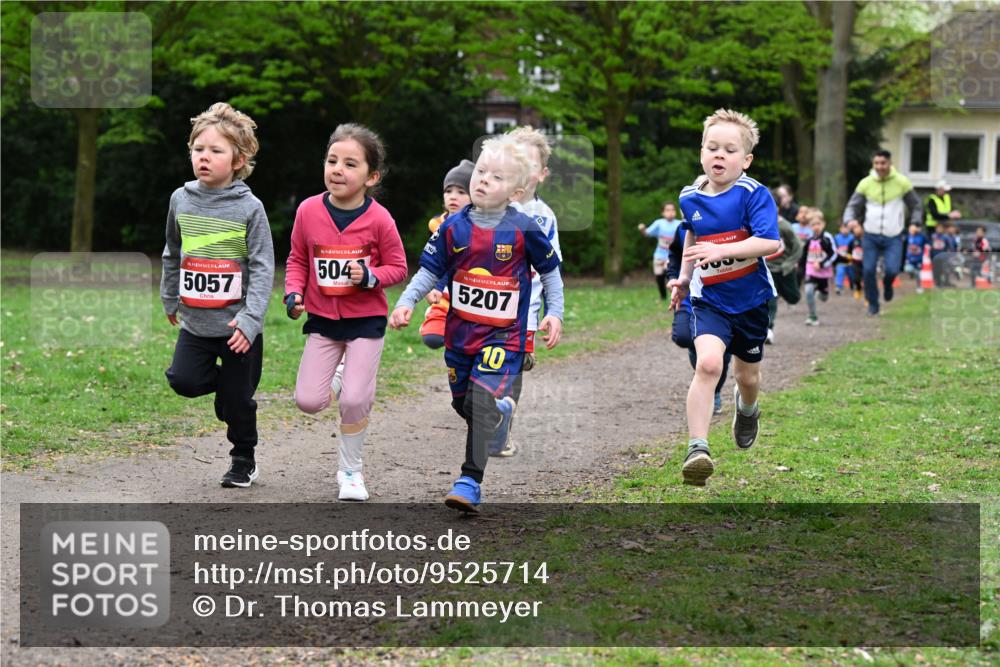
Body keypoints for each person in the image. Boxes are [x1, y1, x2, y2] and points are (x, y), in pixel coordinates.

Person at [389, 136, 564, 512]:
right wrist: (406, 301)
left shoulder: (525, 228)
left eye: (495, 177)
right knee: (463, 403)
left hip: (505, 336)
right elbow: (428, 272)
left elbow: (550, 272)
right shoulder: (452, 227)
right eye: (481, 171)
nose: (483, 180)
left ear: (516, 191)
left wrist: (555, 312)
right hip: (461, 336)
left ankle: (470, 481)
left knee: (480, 399)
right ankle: (496, 417)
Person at [284, 123, 408, 502]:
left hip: (366, 324)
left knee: (355, 400)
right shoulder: (308, 210)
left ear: (371, 177)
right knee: (309, 401)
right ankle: (340, 375)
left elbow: (399, 267)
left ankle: (351, 472)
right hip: (323, 321)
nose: (337, 169)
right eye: (332, 160)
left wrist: (370, 276)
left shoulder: (380, 219)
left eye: (349, 164)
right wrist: (292, 293)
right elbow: (297, 259)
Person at [161, 102, 274, 489]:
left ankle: (243, 459)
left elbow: (262, 267)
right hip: (196, 322)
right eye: (198, 150)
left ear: (239, 159)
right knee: (182, 380)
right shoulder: (181, 199)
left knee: (238, 404)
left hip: (237, 328)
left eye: (215, 151)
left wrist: (251, 318)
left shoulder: (250, 207)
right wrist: (169, 295)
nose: (204, 157)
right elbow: (173, 251)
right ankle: (226, 388)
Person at [667, 108, 781, 487]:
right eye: (712, 147)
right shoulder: (689, 196)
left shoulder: (753, 194)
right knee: (709, 365)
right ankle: (697, 449)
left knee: (747, 376)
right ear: (701, 151)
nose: (719, 155)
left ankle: (748, 409)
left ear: (745, 160)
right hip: (709, 298)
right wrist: (683, 278)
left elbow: (770, 242)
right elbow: (692, 235)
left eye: (730, 150)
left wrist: (720, 252)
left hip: (750, 299)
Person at [843, 149, 923, 316]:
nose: (879, 166)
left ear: (889, 164)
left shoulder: (902, 182)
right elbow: (852, 206)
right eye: (876, 163)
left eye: (883, 163)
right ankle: (873, 305)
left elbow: (916, 205)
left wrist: (915, 223)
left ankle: (888, 284)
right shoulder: (865, 183)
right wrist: (852, 222)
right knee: (868, 270)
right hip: (870, 234)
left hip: (894, 235)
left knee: (893, 270)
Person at [666, 227, 731, 414]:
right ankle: (703, 372)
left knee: (721, 354)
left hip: (721, 300)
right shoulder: (683, 229)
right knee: (685, 337)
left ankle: (714, 391)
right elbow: (676, 254)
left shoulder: (726, 222)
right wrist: (674, 277)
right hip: (689, 298)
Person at [416, 160, 475, 351]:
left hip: (473, 292)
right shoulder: (437, 225)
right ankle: (438, 315)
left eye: (461, 192)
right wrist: (434, 287)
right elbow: (435, 264)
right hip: (444, 293)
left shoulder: (482, 228)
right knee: (432, 338)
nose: (453, 197)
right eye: (448, 191)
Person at [764, 214, 803, 344]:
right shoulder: (761, 222)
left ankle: (779, 291)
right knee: (771, 299)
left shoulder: (785, 226)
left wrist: (789, 263)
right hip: (768, 268)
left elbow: (798, 246)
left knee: (794, 297)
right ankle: (768, 329)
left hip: (785, 268)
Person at [638, 201, 683, 302]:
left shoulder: (679, 224)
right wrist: (642, 229)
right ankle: (663, 297)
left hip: (672, 256)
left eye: (672, 210)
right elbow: (647, 233)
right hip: (659, 255)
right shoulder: (659, 223)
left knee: (671, 275)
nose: (670, 212)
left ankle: (675, 295)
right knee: (659, 276)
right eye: (667, 210)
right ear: (662, 213)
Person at [802, 210, 837, 326]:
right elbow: (804, 255)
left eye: (818, 224)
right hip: (811, 270)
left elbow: (834, 254)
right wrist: (800, 266)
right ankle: (812, 316)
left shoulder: (827, 238)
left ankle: (821, 291)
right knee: (808, 291)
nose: (816, 227)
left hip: (824, 272)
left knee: (824, 297)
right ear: (809, 226)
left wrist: (822, 264)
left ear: (823, 224)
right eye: (813, 225)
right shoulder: (809, 239)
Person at [903, 223, 928, 294]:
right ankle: (912, 274)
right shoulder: (909, 237)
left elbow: (927, 241)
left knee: (918, 273)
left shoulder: (921, 237)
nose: (911, 230)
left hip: (918, 258)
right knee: (907, 269)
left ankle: (919, 286)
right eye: (910, 229)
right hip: (909, 258)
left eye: (913, 229)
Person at [930, 222, 954, 288]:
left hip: (942, 257)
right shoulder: (933, 236)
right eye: (938, 228)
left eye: (940, 228)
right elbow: (931, 246)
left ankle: (942, 282)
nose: (939, 229)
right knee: (935, 270)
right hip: (935, 256)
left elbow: (950, 246)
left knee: (942, 270)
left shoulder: (945, 237)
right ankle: (937, 282)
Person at [846, 222, 864, 300]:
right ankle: (858, 289)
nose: (857, 230)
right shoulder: (852, 241)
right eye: (855, 228)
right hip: (855, 263)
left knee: (867, 278)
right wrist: (849, 259)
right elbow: (849, 252)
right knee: (856, 278)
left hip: (865, 263)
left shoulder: (867, 240)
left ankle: (868, 296)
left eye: (858, 227)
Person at [833, 222, 853, 295]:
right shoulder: (837, 237)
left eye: (846, 228)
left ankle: (852, 283)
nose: (845, 230)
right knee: (840, 271)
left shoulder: (852, 238)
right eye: (843, 228)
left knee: (851, 273)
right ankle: (839, 286)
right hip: (840, 260)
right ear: (840, 229)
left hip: (850, 260)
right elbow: (834, 248)